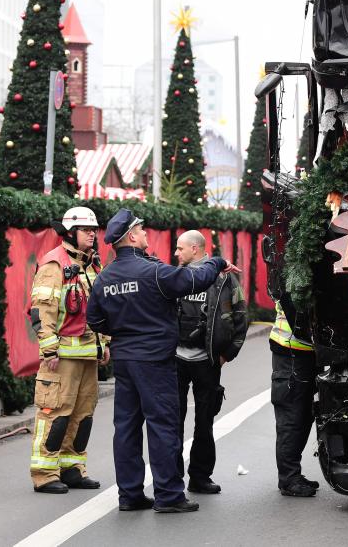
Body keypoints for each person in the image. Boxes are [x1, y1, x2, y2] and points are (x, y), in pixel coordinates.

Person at [86, 209, 240, 513]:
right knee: (163, 425)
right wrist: (218, 261)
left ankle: (129, 495)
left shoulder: (105, 278)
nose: (145, 234)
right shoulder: (154, 273)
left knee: (127, 427)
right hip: (155, 360)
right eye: (141, 230)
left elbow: (95, 319)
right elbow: (196, 278)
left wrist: (124, 330)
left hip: (125, 361)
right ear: (132, 236)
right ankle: (169, 495)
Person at [29, 207, 109, 494]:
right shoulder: (54, 264)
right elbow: (42, 311)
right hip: (61, 358)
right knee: (55, 414)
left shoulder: (92, 265)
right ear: (70, 233)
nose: (92, 233)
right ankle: (45, 474)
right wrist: (49, 350)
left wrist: (105, 344)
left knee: (82, 415)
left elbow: (101, 310)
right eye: (86, 229)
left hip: (88, 356)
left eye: (94, 229)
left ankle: (72, 468)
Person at [174, 230, 248, 495]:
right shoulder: (176, 275)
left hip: (208, 362)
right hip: (176, 361)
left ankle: (200, 477)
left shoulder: (224, 278)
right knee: (173, 421)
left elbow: (241, 317)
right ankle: (172, 479)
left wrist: (228, 353)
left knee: (204, 422)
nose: (176, 253)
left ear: (195, 249)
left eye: (180, 248)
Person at [270, 297, 320, 497]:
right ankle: (289, 478)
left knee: (305, 415)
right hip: (291, 349)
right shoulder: (294, 275)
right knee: (292, 417)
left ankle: (293, 475)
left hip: (305, 350)